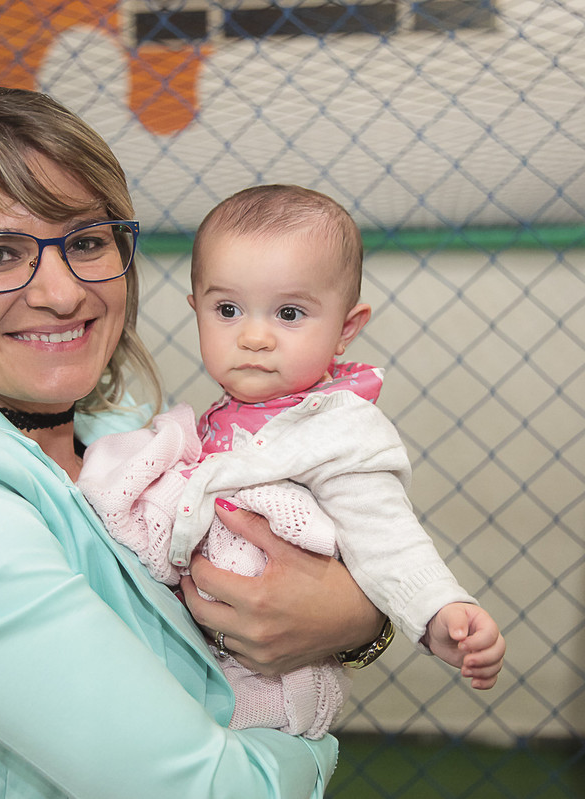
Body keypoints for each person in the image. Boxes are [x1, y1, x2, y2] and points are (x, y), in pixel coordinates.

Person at [0, 88, 391, 798]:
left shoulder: (126, 433)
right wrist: (311, 751)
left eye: (85, 241)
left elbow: (274, 611)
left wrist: (357, 618)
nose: (61, 293)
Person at [77, 185, 506, 739]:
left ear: (345, 329)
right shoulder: (216, 420)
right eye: (227, 310)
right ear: (197, 311)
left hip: (271, 683)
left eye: (289, 313)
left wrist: (437, 610)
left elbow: (387, 535)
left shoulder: (339, 433)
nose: (254, 337)